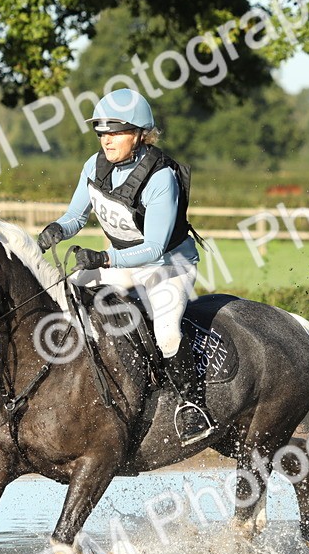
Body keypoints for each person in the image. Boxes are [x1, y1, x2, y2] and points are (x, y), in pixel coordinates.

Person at [37, 88, 215, 445]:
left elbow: (154, 248)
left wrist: (104, 259)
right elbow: (76, 216)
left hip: (168, 265)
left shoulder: (160, 177)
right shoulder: (94, 166)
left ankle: (193, 406)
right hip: (121, 259)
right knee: (63, 295)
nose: (107, 140)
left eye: (115, 133)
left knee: (167, 333)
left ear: (139, 134)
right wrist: (58, 228)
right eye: (102, 133)